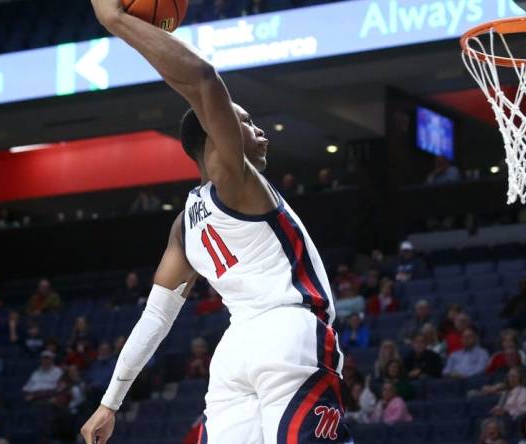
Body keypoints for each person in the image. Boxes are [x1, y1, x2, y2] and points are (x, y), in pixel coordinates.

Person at [83, 2, 349, 443]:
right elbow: (203, 79)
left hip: (232, 355)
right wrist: (115, 21)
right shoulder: (237, 180)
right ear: (215, 134)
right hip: (288, 334)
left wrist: (109, 403)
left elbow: (155, 320)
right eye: (244, 121)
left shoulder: (185, 225)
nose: (259, 131)